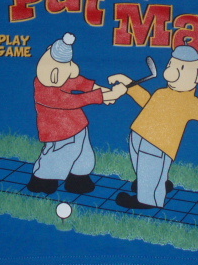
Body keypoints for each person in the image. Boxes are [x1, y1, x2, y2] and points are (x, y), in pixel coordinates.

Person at [109, 45, 198, 209]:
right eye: (170, 65)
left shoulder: (189, 102)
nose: (171, 71)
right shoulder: (162, 92)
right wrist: (128, 83)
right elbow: (146, 101)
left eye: (181, 68)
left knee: (151, 165)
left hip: (158, 144)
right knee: (142, 165)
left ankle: (147, 200)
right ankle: (155, 183)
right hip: (138, 134)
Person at [27, 32, 126, 194]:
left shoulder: (60, 77)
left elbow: (82, 84)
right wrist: (109, 95)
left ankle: (78, 180)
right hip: (58, 133)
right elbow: (75, 100)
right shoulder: (44, 89)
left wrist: (105, 92)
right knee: (57, 156)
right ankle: (41, 181)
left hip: (78, 126)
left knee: (84, 156)